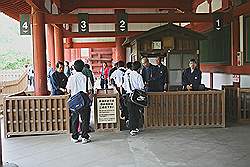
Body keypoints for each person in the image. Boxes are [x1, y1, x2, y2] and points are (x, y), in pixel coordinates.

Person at [66, 60, 93, 144]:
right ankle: (84, 137)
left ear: (74, 67)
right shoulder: (86, 78)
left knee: (75, 119)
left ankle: (75, 137)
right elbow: (89, 90)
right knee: (85, 119)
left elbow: (68, 90)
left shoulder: (71, 78)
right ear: (83, 67)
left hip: (74, 101)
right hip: (84, 101)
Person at [123, 61, 145, 136]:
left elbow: (124, 86)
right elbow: (141, 87)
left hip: (129, 96)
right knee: (136, 112)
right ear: (139, 68)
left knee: (131, 113)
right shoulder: (138, 76)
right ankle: (134, 128)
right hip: (136, 97)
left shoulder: (127, 75)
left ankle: (133, 128)